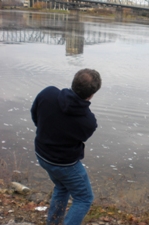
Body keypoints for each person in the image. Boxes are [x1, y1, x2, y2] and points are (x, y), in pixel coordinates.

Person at [31, 68, 102, 225]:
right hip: (65, 164)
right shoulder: (88, 121)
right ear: (92, 94)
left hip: (42, 154)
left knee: (62, 187)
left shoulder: (48, 94)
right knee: (84, 198)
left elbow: (35, 114)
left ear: (73, 82)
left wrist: (45, 132)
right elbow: (81, 138)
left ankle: (54, 222)